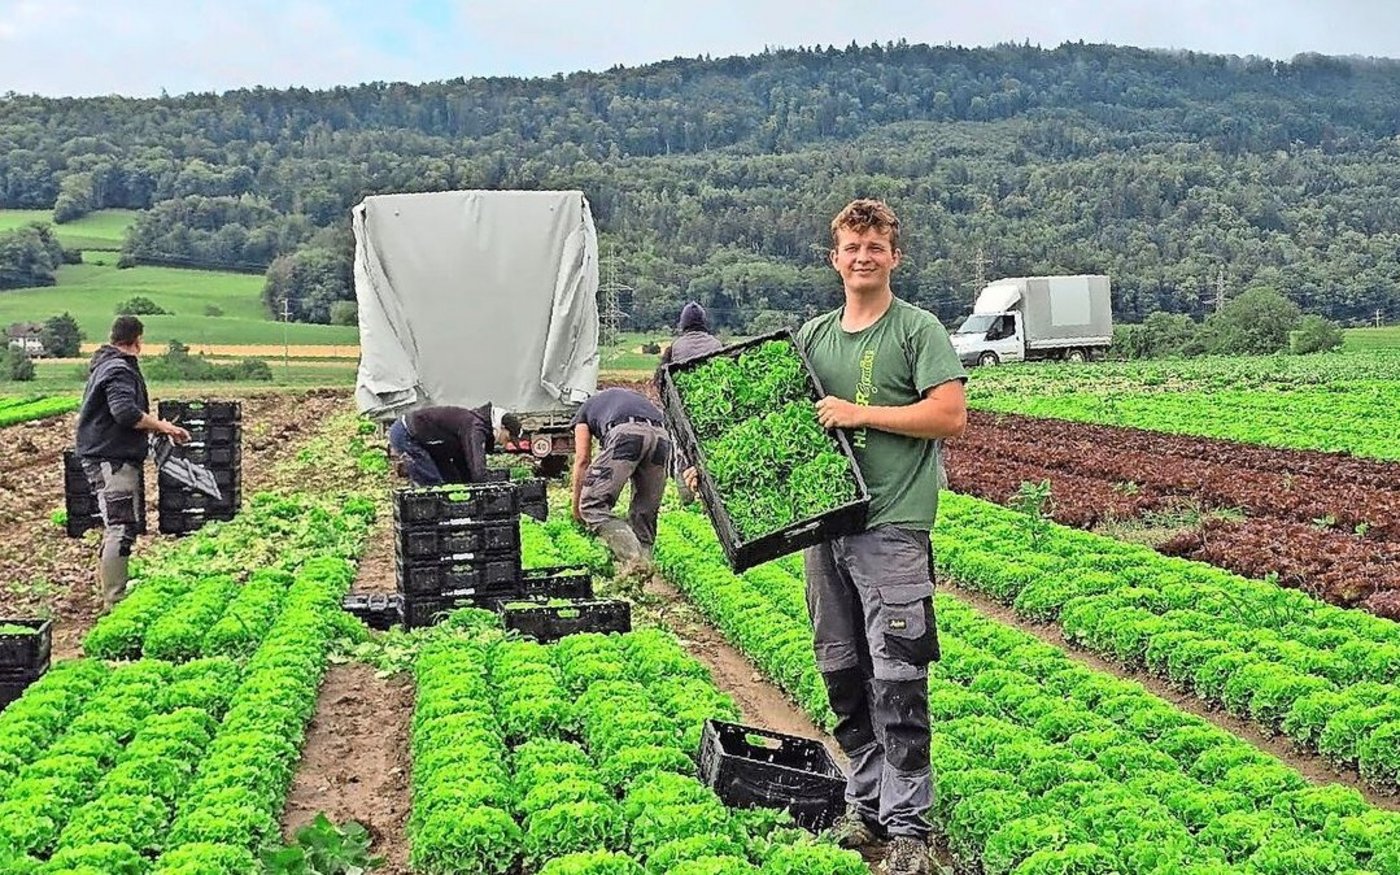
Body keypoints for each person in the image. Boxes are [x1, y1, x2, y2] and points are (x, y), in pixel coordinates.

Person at [688, 199, 966, 875]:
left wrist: (859, 411)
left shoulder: (915, 330)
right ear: (834, 257)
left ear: (893, 256)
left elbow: (949, 414)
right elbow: (769, 430)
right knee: (843, 674)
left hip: (892, 528)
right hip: (825, 532)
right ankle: (867, 811)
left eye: (875, 245)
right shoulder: (811, 336)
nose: (863, 256)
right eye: (852, 246)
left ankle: (910, 831)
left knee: (899, 678)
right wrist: (712, 476)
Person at [75, 315, 191, 610]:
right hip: (111, 459)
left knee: (117, 524)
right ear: (137, 339)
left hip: (104, 454)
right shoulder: (118, 369)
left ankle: (112, 593)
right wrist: (164, 427)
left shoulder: (105, 364)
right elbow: (125, 412)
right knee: (120, 526)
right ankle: (114, 602)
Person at [569, 387, 671, 570]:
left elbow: (582, 459)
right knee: (644, 512)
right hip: (662, 437)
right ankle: (643, 570)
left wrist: (577, 507)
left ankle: (634, 561)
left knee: (593, 505)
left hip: (627, 434)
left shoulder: (583, 412)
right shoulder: (624, 399)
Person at [653, 301, 724, 503]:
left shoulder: (675, 348)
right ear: (704, 323)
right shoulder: (716, 344)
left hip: (684, 413)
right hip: (713, 411)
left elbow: (662, 382)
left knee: (683, 455)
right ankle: (712, 498)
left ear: (683, 324)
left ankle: (687, 498)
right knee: (711, 454)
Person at [387, 404, 521, 486]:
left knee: (452, 481)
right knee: (433, 485)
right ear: (501, 427)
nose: (506, 443)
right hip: (407, 434)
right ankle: (432, 526)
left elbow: (464, 462)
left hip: (431, 445)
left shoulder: (475, 425)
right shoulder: (475, 427)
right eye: (508, 438)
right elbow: (477, 468)